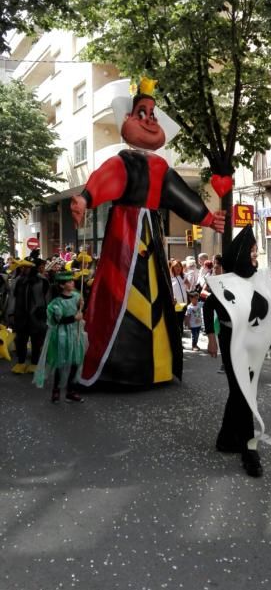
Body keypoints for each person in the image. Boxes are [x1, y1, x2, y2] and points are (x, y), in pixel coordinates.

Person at [70, 77, 225, 387]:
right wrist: (85, 198)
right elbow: (106, 180)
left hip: (150, 234)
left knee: (156, 297)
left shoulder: (159, 167)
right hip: (125, 236)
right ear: (126, 120)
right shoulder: (123, 161)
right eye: (142, 113)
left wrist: (206, 217)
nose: (150, 121)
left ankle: (157, 365)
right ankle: (118, 368)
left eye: (153, 115)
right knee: (121, 297)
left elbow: (179, 195)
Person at [203, 226, 271, 477]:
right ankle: (249, 450)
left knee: (240, 392)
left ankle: (226, 439)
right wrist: (212, 338)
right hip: (230, 339)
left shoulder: (258, 279)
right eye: (251, 251)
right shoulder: (226, 282)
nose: (255, 256)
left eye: (256, 251)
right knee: (242, 392)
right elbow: (208, 308)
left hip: (252, 340)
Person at [33, 271, 86, 403]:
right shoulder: (55, 303)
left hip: (75, 334)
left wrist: (82, 306)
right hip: (62, 336)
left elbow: (80, 311)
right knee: (60, 363)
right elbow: (57, 321)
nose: (72, 283)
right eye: (69, 282)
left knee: (75, 362)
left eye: (72, 281)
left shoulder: (77, 296)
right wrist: (74, 317)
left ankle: (71, 391)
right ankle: (56, 391)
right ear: (62, 286)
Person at [10, 259, 49, 374]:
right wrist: (11, 313)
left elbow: (47, 298)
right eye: (22, 267)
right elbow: (13, 297)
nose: (24, 269)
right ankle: (21, 363)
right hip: (20, 315)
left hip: (37, 315)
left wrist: (45, 313)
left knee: (36, 340)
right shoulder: (18, 280)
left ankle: (34, 364)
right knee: (21, 340)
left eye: (27, 267)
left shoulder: (42, 280)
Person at [170, 260, 190, 335]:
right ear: (173, 268)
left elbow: (189, 285)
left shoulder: (183, 276)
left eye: (179, 266)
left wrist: (187, 287)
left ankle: (180, 339)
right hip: (177, 304)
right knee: (178, 322)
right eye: (176, 266)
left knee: (180, 321)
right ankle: (178, 339)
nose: (178, 268)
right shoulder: (171, 278)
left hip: (184, 303)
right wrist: (173, 298)